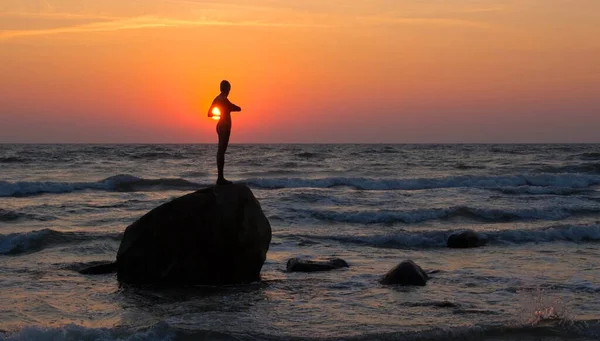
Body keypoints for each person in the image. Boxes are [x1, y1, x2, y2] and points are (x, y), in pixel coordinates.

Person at [208, 80, 241, 185]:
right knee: (221, 152)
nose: (229, 91)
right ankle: (220, 178)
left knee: (220, 151)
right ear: (227, 89)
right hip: (224, 126)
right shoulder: (224, 100)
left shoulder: (217, 98)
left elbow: (209, 113)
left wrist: (220, 115)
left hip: (219, 125)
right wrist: (227, 112)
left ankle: (220, 177)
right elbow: (238, 108)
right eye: (229, 89)